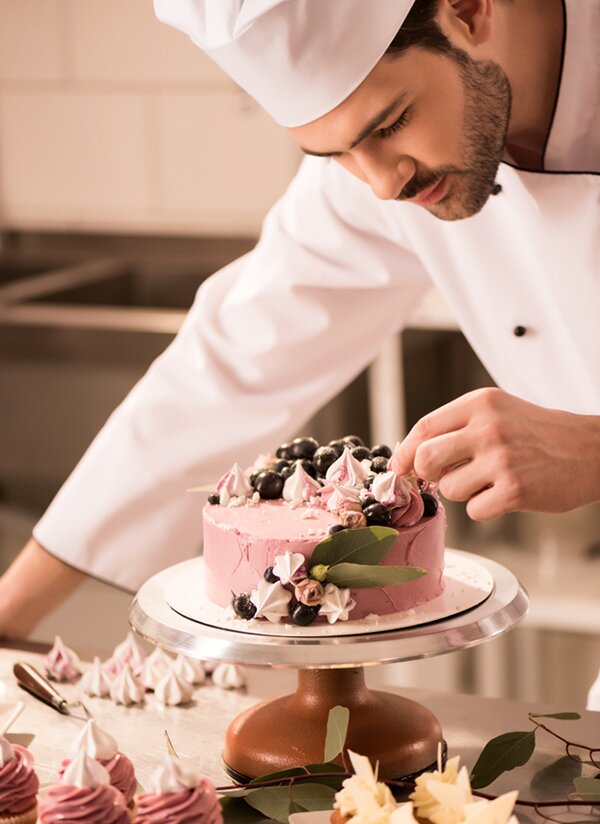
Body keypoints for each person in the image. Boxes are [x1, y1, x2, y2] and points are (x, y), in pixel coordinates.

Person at [0, 0, 598, 662]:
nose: (379, 184)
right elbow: (227, 371)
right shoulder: (386, 169)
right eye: (334, 153)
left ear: (468, 9)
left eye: (391, 122)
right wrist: (10, 610)